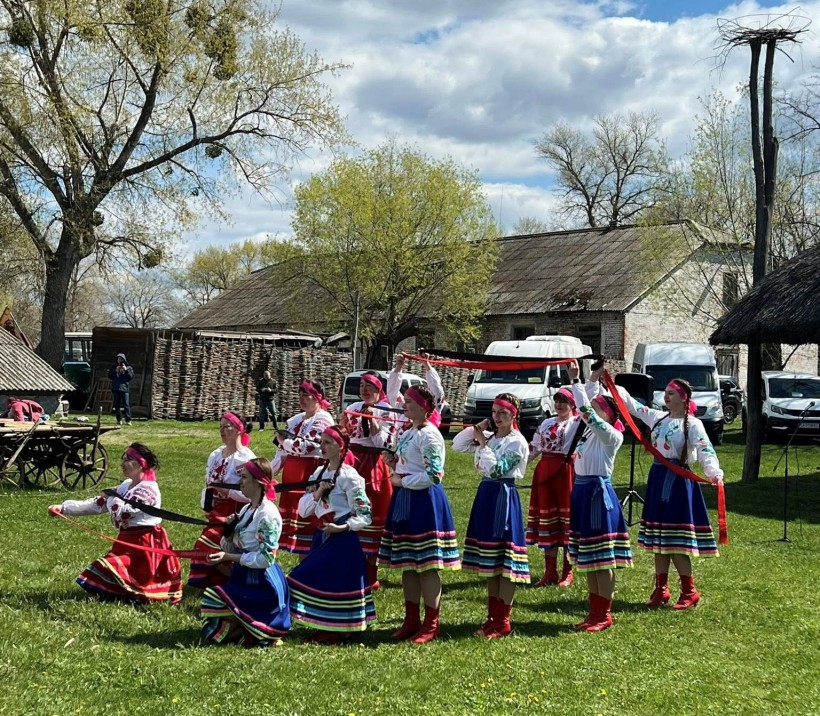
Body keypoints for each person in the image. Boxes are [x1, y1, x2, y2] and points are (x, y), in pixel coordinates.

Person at [614, 375, 724, 610]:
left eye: (671, 393)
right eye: (665, 392)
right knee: (659, 540)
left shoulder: (693, 424)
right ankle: (661, 589)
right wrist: (611, 385)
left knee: (675, 542)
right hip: (658, 478)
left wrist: (713, 472)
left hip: (678, 483)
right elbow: (634, 407)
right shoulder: (658, 418)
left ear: (683, 399)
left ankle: (689, 591)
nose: (666, 396)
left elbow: (706, 449)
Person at [47, 442, 182, 604]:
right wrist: (64, 508)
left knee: (120, 571)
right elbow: (97, 504)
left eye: (128, 459)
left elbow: (123, 513)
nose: (122, 463)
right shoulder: (126, 485)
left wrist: (111, 496)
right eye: (123, 458)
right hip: (126, 541)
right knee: (110, 572)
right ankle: (125, 595)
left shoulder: (148, 490)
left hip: (145, 543)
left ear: (141, 464)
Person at [379, 385, 459, 644]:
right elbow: (410, 463)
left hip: (424, 501)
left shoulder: (430, 435)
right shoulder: (411, 431)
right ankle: (411, 620)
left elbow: (434, 475)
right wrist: (393, 463)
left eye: (411, 403)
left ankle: (431, 623)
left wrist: (403, 481)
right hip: (405, 501)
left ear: (425, 408)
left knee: (426, 566)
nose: (405, 406)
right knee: (407, 566)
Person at [287, 425, 376, 644]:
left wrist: (343, 527)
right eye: (321, 442)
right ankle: (324, 624)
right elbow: (305, 510)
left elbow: (365, 515)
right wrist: (317, 492)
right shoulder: (318, 473)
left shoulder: (350, 477)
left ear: (340, 446)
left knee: (335, 582)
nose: (323, 446)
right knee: (317, 579)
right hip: (322, 536)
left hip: (342, 539)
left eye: (328, 442)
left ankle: (336, 628)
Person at [453, 393, 530, 639]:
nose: (497, 418)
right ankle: (492, 617)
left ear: (513, 415)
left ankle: (503, 620)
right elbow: (458, 444)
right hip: (486, 494)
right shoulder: (490, 436)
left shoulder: (516, 442)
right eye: (494, 412)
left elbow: (497, 470)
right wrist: (478, 429)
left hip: (503, 496)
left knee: (504, 562)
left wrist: (484, 446)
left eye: (503, 413)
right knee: (490, 562)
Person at [566, 361, 632, 632]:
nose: (591, 412)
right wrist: (590, 380)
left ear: (608, 414)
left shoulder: (611, 435)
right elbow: (587, 413)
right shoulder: (589, 434)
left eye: (598, 409)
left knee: (602, 559)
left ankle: (604, 614)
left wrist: (576, 381)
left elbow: (586, 414)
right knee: (590, 559)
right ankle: (594, 612)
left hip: (597, 495)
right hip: (583, 491)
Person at [201, 457, 291, 646]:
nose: (239, 482)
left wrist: (229, 557)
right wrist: (228, 531)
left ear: (258, 482)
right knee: (213, 603)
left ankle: (258, 629)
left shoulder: (267, 515)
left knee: (213, 598)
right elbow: (231, 546)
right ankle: (248, 630)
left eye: (244, 477)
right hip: (244, 575)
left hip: (263, 582)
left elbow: (267, 558)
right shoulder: (247, 509)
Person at [187, 412, 255, 588]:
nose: (222, 431)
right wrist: (207, 503)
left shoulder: (244, 458)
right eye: (220, 427)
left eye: (227, 427)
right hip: (217, 511)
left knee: (204, 546)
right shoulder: (216, 454)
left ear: (239, 430)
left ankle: (236, 579)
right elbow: (208, 482)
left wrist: (227, 492)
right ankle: (222, 581)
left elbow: (251, 493)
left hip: (235, 513)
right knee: (206, 548)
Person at [341, 372, 395, 587]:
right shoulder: (353, 408)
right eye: (362, 386)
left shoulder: (386, 410)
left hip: (373, 463)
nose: (365, 390)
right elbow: (348, 435)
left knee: (371, 512)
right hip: (353, 460)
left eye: (370, 387)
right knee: (349, 509)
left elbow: (386, 441)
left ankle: (371, 574)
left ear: (378, 389)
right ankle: (352, 570)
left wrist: (372, 422)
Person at [271, 380, 334, 556]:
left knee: (308, 523)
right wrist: (266, 473)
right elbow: (281, 454)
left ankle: (308, 568)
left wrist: (284, 441)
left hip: (309, 474)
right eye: (300, 394)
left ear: (318, 398)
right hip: (292, 477)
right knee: (298, 531)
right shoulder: (295, 421)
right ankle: (301, 568)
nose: (302, 398)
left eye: (307, 395)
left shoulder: (323, 419)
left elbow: (303, 446)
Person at [527, 386, 582, 588]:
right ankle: (550, 571)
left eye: (564, 401)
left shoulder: (577, 422)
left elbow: (588, 406)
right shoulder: (546, 422)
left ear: (572, 404)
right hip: (545, 471)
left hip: (566, 472)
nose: (559, 405)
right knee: (547, 520)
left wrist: (577, 380)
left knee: (566, 521)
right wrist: (519, 465)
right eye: (557, 401)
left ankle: (568, 572)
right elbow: (534, 447)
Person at [109, 353, 134, 426]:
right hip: (116, 388)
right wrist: (115, 371)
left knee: (126, 405)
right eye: (118, 359)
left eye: (121, 359)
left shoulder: (129, 367)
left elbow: (130, 377)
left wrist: (126, 370)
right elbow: (110, 376)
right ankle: (119, 419)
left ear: (124, 360)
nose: (119, 361)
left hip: (125, 388)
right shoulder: (114, 367)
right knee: (117, 405)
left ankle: (128, 420)